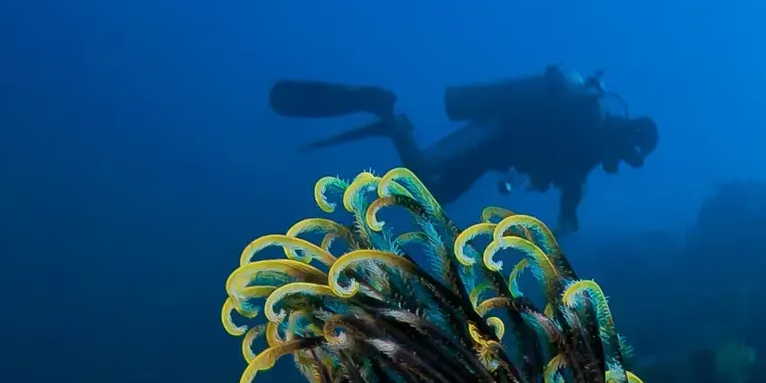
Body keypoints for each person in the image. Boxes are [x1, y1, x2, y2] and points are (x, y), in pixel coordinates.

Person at [268, 67, 657, 231]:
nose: (620, 163)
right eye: (627, 155)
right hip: (496, 131)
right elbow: (572, 182)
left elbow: (571, 180)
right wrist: (568, 217)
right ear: (624, 139)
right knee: (422, 168)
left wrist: (568, 214)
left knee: (434, 195)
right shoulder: (589, 118)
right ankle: (384, 110)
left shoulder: (589, 144)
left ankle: (391, 122)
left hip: (494, 155)